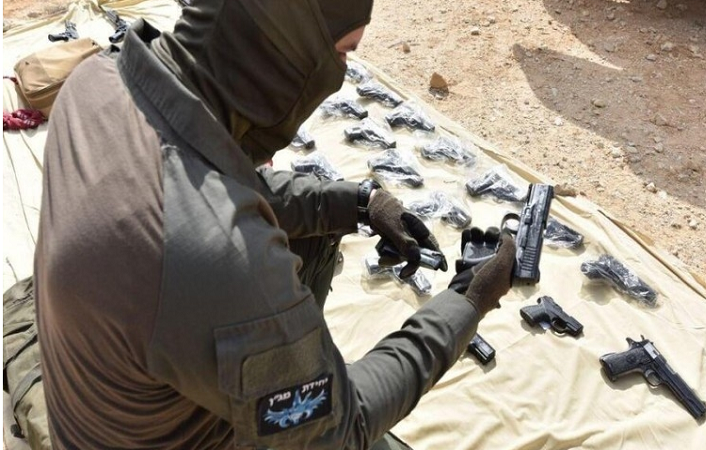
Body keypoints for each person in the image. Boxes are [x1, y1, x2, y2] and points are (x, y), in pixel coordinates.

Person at [33, 0, 517, 448]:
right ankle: (293, 365)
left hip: (109, 406)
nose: (339, 78)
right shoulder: (219, 259)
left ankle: (291, 360)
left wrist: (357, 203)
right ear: (286, 43)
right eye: (343, 53)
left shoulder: (96, 79)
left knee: (315, 239)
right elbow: (344, 430)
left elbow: (211, 180)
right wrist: (466, 302)